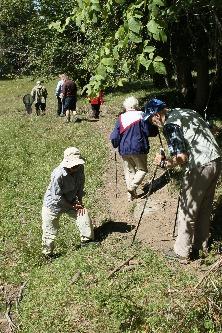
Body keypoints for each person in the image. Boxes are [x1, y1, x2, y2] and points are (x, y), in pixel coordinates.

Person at [144, 98, 222, 261]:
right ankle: (201, 246)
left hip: (199, 166)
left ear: (157, 115)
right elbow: (213, 129)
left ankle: (181, 252)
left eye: (151, 119)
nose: (152, 123)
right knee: (204, 206)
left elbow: (182, 157)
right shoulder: (186, 112)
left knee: (187, 209)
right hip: (216, 160)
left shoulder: (171, 125)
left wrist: (165, 163)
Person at [41, 147, 96, 257]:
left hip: (71, 200)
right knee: (50, 231)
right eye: (73, 165)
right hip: (53, 205)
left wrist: (79, 202)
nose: (75, 167)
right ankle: (48, 254)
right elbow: (56, 197)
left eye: (77, 164)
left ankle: (87, 241)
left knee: (83, 214)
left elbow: (80, 186)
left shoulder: (80, 168)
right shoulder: (58, 174)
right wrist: (72, 205)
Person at [110, 96, 158, 202]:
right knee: (142, 169)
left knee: (129, 171)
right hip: (139, 147)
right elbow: (148, 131)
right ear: (136, 105)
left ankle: (130, 197)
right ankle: (131, 188)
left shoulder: (121, 117)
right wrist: (155, 129)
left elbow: (114, 136)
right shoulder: (141, 115)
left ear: (125, 106)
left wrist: (115, 144)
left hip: (124, 149)